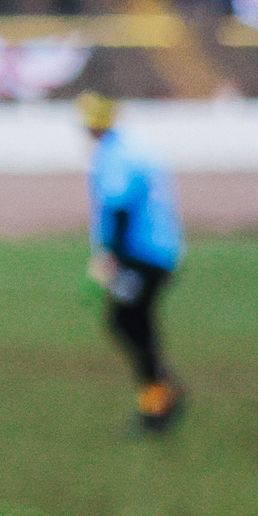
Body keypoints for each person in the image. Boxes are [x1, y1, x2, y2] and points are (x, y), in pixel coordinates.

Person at [81, 94, 186, 433]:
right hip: (158, 252)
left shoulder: (112, 155)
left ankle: (160, 398)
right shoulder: (131, 149)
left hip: (140, 255)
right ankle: (161, 392)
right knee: (134, 322)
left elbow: (119, 206)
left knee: (127, 321)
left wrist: (112, 256)